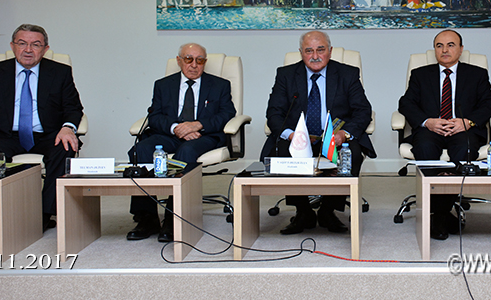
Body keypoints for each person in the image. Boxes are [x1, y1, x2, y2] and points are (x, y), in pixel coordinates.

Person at [260, 31, 376, 235]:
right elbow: (274, 113)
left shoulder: (347, 74)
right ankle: (303, 211)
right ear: (301, 53)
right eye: (309, 51)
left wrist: (344, 134)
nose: (315, 56)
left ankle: (328, 211)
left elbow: (363, 111)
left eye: (320, 50)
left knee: (352, 154)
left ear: (330, 51)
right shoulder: (286, 75)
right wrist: (291, 135)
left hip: (335, 137)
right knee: (283, 152)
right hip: (298, 138)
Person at [0, 24, 84, 232]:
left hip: (47, 135)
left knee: (65, 147)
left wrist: (68, 128)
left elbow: (73, 108)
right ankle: (8, 212)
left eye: (36, 45)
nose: (28, 50)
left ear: (45, 49)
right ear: (12, 46)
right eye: (22, 43)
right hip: (5, 135)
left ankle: (44, 214)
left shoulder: (60, 72)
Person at [127, 43, 236, 242]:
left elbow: (227, 114)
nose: (194, 65)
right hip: (170, 134)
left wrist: (197, 125)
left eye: (200, 60)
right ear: (179, 61)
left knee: (186, 152)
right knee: (139, 150)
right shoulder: (163, 85)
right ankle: (146, 217)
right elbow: (155, 117)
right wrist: (176, 128)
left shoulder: (220, 85)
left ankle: (173, 217)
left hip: (203, 136)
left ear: (205, 62)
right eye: (188, 59)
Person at [398, 29, 491, 240]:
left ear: (461, 49)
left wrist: (468, 122)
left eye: (450, 45)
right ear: (434, 49)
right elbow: (406, 103)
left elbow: (490, 104)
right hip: (431, 129)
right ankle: (443, 213)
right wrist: (428, 121)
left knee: (464, 149)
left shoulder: (477, 74)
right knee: (424, 147)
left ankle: (438, 214)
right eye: (439, 46)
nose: (445, 50)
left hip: (462, 129)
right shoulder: (420, 74)